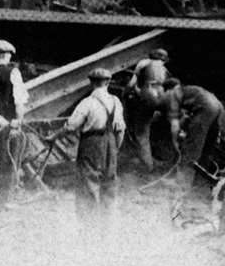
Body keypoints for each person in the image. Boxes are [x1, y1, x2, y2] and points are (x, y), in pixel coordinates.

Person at [58, 67, 126, 221]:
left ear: (91, 83)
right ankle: (107, 221)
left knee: (88, 181)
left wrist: (55, 136)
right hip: (111, 142)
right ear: (108, 82)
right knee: (109, 181)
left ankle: (89, 223)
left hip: (91, 142)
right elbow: (121, 129)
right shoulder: (116, 101)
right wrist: (115, 148)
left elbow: (71, 126)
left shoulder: (87, 102)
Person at [0, 39, 29, 201]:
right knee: (10, 161)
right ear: (6, 55)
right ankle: (5, 200)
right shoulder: (13, 73)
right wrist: (18, 121)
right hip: (9, 125)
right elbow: (20, 101)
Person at [161, 80, 225, 188]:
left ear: (168, 90)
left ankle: (181, 183)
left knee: (191, 148)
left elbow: (175, 125)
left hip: (206, 109)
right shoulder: (190, 90)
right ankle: (199, 183)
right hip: (219, 108)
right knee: (206, 149)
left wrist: (175, 141)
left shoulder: (173, 93)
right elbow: (186, 117)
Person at [121, 48, 170, 173]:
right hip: (159, 102)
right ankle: (148, 159)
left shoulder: (144, 63)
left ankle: (147, 167)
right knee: (146, 129)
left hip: (144, 102)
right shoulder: (165, 70)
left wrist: (124, 93)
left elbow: (132, 84)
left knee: (141, 133)